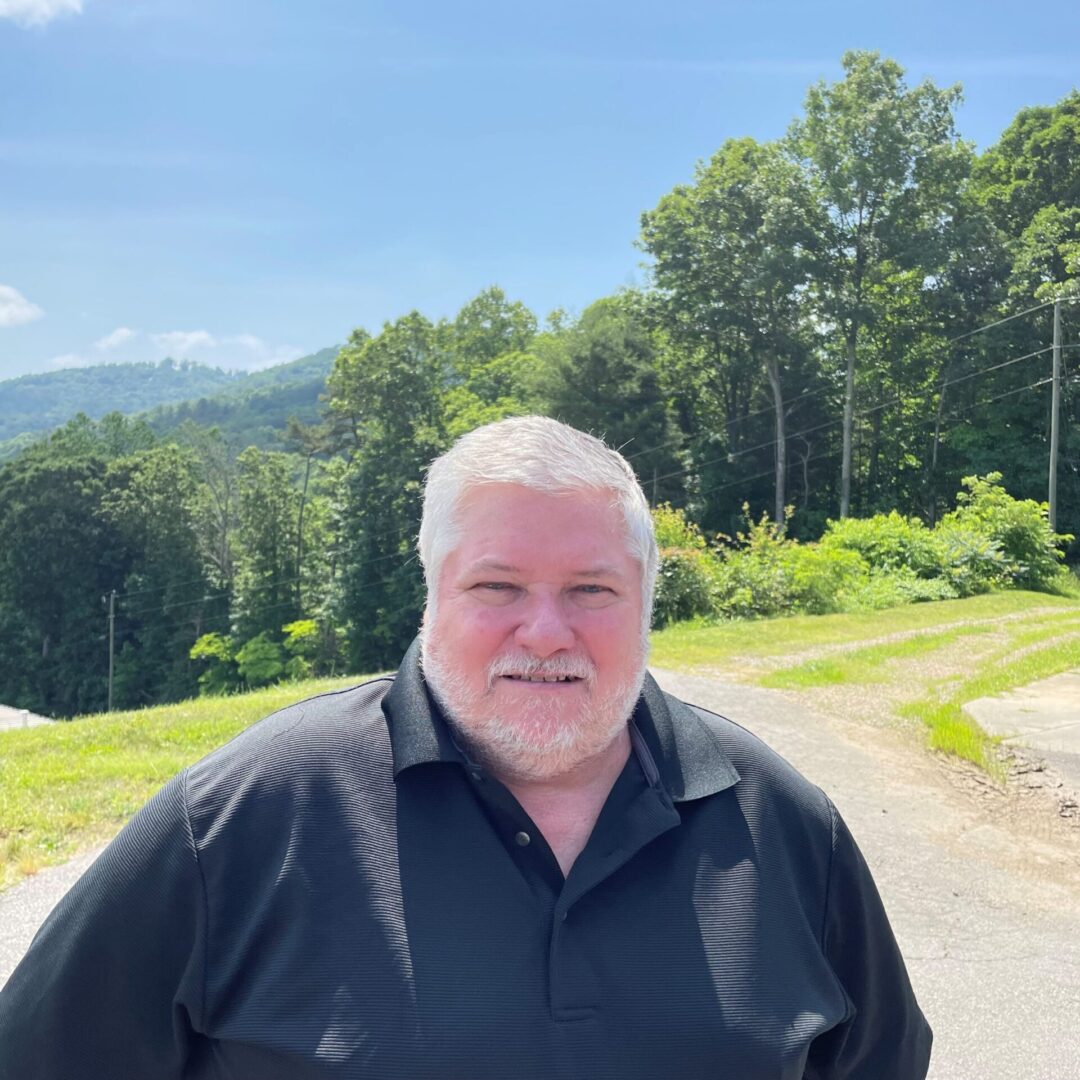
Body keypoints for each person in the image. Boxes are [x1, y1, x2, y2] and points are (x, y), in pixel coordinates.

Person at [0, 416, 932, 1079]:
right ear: (430, 594)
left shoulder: (780, 818)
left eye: (592, 590)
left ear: (649, 599)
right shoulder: (242, 818)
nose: (544, 632)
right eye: (496, 586)